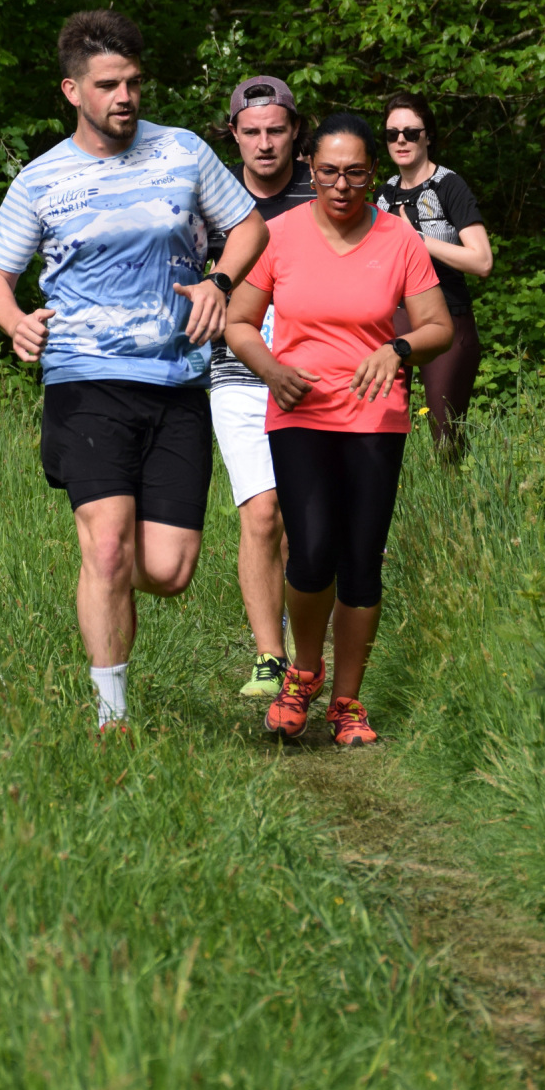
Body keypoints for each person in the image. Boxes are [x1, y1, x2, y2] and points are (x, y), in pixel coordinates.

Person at [0, 10, 269, 731]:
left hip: (176, 379)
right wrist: (14, 321)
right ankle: (112, 720)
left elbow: (249, 226)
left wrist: (219, 282)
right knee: (107, 547)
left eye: (133, 82)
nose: (125, 97)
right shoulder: (42, 179)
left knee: (167, 570)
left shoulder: (184, 151)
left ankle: (103, 563)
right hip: (84, 378)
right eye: (108, 85)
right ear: (72, 90)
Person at [221, 114, 454, 746]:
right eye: (328, 172)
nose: (342, 185)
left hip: (376, 417)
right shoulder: (279, 234)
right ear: (311, 169)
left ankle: (347, 702)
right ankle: (303, 671)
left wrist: (397, 349)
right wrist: (271, 370)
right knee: (312, 552)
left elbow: (439, 327)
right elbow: (238, 322)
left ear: (373, 173)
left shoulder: (399, 240)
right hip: (300, 413)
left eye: (354, 173)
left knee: (361, 562)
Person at [206, 75, 316, 698]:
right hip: (237, 373)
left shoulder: (322, 191)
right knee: (262, 511)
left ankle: (306, 647)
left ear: (295, 130)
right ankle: (268, 656)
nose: (265, 143)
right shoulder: (212, 198)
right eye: (251, 132)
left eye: (276, 130)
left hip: (313, 373)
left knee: (306, 519)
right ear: (235, 134)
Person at [376, 93, 493, 456]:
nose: (401, 140)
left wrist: (418, 240)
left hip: (448, 315)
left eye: (411, 133)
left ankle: (455, 491)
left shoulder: (449, 186)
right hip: (393, 318)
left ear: (428, 136)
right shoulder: (383, 194)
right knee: (379, 426)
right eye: (392, 134)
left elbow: (482, 261)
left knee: (447, 436)